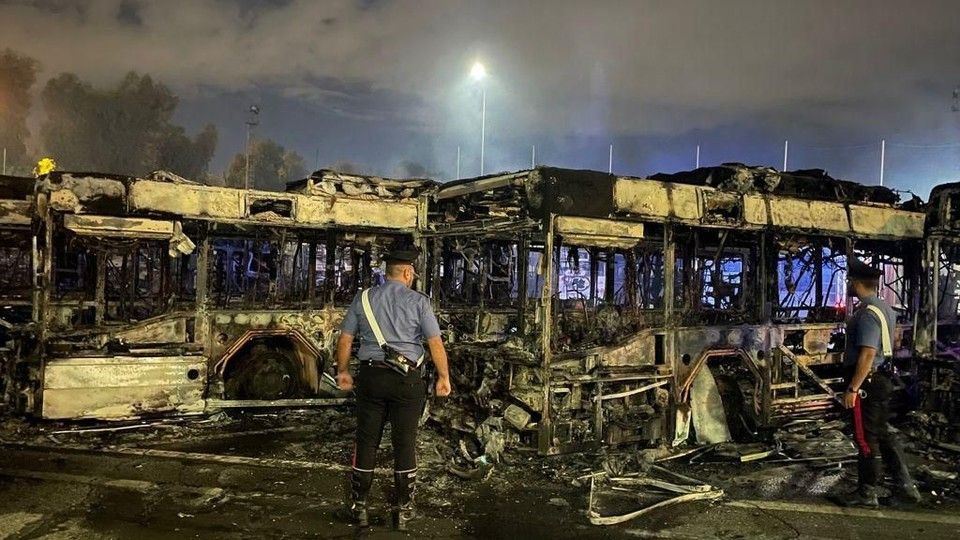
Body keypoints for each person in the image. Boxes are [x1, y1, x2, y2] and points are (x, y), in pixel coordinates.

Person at [336, 249, 451, 530]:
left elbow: (346, 339)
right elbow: (435, 343)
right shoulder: (419, 302)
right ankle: (403, 511)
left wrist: (343, 371)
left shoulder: (363, 299)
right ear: (408, 273)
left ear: (386, 273)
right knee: (404, 442)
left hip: (371, 377)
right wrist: (443, 377)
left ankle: (359, 507)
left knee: (366, 441)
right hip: (407, 381)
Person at [840, 259, 920, 507]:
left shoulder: (866, 314)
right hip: (882, 379)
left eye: (849, 282)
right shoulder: (886, 309)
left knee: (866, 438)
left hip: (868, 384)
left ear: (855, 283)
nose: (848, 285)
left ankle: (866, 493)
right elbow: (892, 345)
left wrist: (853, 388)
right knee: (883, 434)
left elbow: (867, 353)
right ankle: (905, 488)